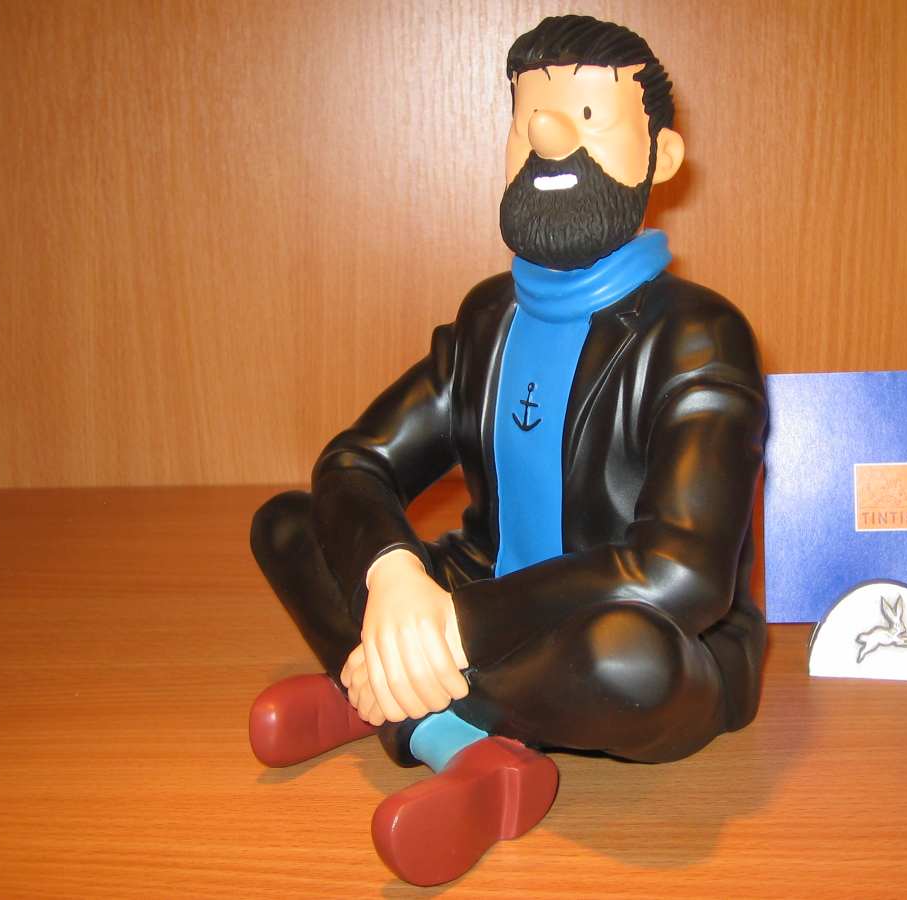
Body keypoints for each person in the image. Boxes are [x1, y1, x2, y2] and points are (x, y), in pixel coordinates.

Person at [248, 15, 767, 886]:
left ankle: (378, 692)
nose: (550, 137)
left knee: (628, 661)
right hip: (477, 597)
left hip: (614, 634)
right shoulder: (487, 319)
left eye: (587, 117)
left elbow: (682, 573)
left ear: (663, 156)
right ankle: (458, 742)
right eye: (530, 118)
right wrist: (395, 579)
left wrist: (452, 629)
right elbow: (355, 463)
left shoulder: (701, 338)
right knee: (288, 524)